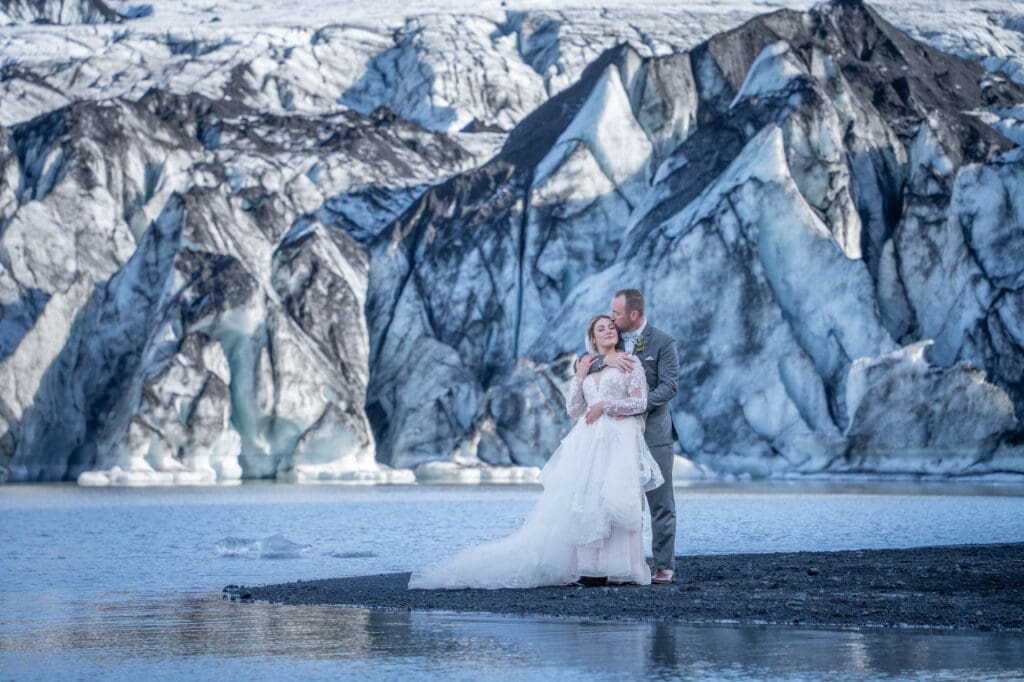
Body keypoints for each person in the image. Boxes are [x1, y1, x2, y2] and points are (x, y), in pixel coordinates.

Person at [408, 314, 664, 589]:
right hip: (588, 442)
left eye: (611, 327)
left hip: (618, 437)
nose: (608, 331)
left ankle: (620, 567)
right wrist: (578, 377)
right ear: (592, 338)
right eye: (600, 329)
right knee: (587, 501)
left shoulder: (629, 362)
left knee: (615, 499)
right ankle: (591, 568)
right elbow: (574, 410)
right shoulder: (588, 366)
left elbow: (639, 402)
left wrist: (605, 406)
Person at [592, 289, 679, 584]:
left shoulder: (663, 342)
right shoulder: (612, 341)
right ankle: (619, 563)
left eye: (616, 313)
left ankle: (664, 565)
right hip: (615, 436)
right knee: (614, 499)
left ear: (633, 315)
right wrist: (605, 363)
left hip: (653, 432)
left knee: (660, 501)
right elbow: (587, 364)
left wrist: (636, 407)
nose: (611, 318)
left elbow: (669, 386)